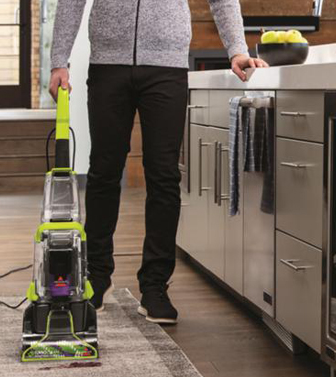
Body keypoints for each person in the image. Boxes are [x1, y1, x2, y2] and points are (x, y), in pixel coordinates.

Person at [49, 0, 267, 324]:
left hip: (167, 66)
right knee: (103, 172)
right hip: (108, 64)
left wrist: (236, 49)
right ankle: (97, 276)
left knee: (164, 175)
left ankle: (154, 287)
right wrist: (58, 60)